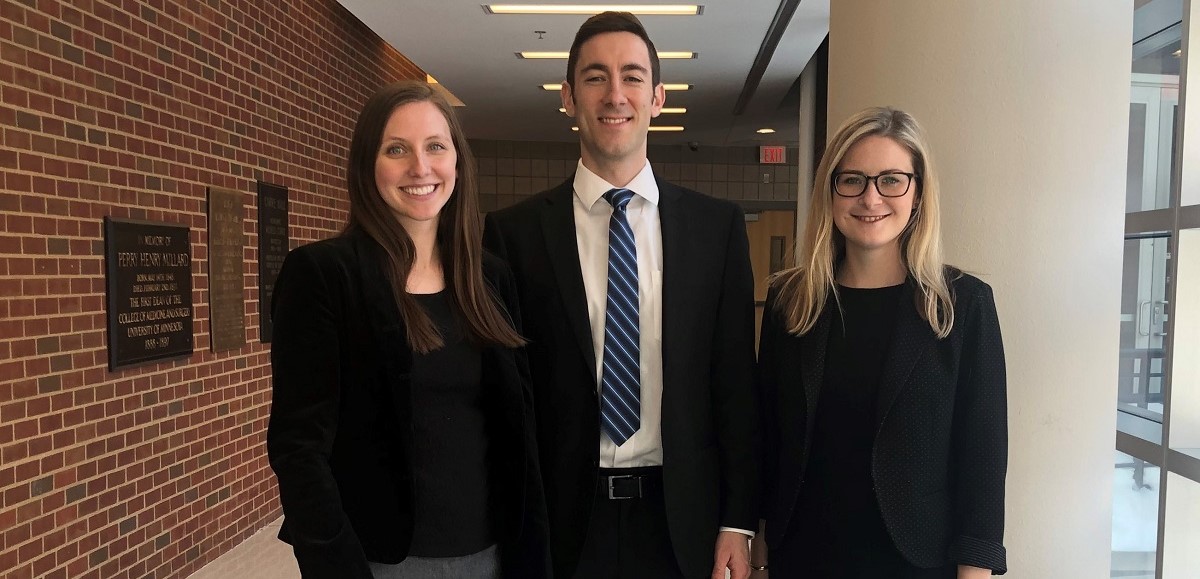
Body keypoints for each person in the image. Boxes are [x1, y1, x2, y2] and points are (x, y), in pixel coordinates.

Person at [483, 11, 758, 579]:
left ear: (657, 97)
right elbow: (506, 398)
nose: (615, 95)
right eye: (595, 77)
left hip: (681, 522)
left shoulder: (717, 230)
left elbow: (734, 384)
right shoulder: (512, 236)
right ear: (567, 97)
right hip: (561, 525)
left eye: (632, 77)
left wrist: (739, 520)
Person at [267, 80, 550, 579]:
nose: (420, 168)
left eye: (435, 147)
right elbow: (298, 446)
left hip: (490, 555)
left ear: (457, 162)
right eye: (396, 149)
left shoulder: (489, 278)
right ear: (366, 164)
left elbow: (518, 433)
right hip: (380, 560)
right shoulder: (324, 275)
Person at [752, 107, 1008, 578]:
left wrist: (977, 568)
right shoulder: (791, 301)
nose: (870, 197)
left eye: (891, 180)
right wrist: (761, 542)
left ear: (918, 193)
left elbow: (983, 458)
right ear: (830, 192)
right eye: (852, 180)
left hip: (916, 561)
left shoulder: (962, 306)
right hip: (804, 557)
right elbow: (768, 435)